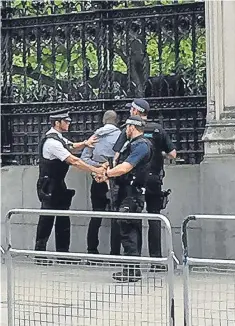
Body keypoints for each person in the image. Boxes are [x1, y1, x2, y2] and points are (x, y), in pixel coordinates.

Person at [113, 99, 177, 271]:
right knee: (154, 217)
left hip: (135, 181)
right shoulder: (158, 129)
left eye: (131, 109)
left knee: (133, 220)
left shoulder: (128, 130)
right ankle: (156, 262)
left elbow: (116, 155)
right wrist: (159, 154)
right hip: (154, 179)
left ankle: (134, 264)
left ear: (135, 111)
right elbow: (173, 154)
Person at [35, 112, 106, 262]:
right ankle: (39, 254)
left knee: (62, 218)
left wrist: (85, 143)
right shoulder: (52, 142)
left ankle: (63, 254)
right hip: (49, 185)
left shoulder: (58, 138)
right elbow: (74, 160)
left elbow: (71, 146)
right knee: (47, 218)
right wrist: (95, 169)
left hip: (58, 183)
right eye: (65, 121)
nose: (68, 123)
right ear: (57, 123)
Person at [97, 115, 153, 282]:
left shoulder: (142, 145)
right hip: (125, 191)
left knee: (128, 229)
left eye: (127, 127)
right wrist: (107, 168)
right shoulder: (132, 144)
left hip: (132, 194)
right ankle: (131, 270)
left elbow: (126, 167)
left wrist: (106, 174)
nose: (125, 130)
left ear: (131, 127)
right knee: (128, 230)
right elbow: (118, 163)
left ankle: (131, 271)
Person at [80, 110, 121, 256]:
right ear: (116, 121)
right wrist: (108, 167)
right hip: (114, 178)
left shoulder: (95, 136)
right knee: (116, 216)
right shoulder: (121, 136)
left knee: (96, 214)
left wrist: (98, 167)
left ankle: (92, 251)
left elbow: (84, 158)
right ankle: (114, 252)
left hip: (97, 178)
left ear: (103, 121)